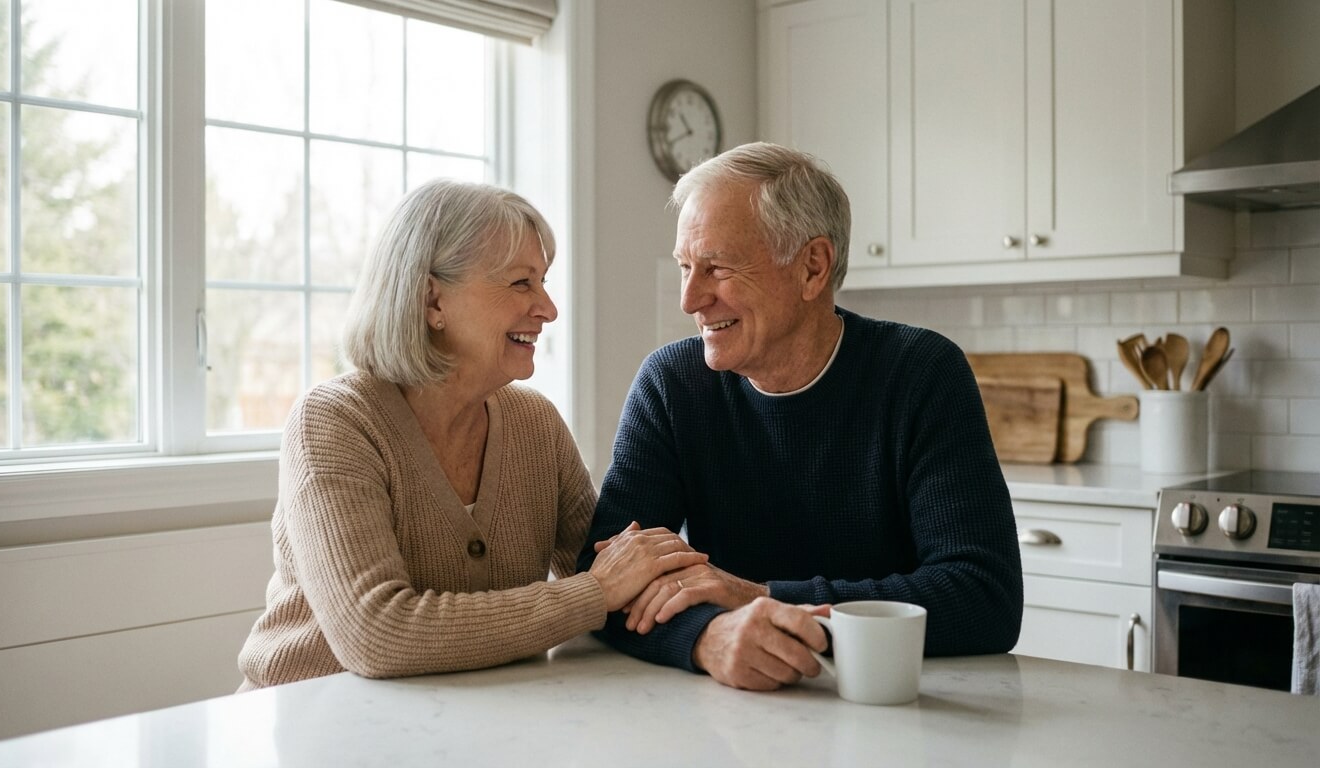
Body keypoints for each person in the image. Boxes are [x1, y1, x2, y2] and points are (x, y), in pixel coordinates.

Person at [577, 142, 1023, 691]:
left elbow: (984, 597)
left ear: (812, 268)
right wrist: (707, 638)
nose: (690, 299)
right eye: (686, 268)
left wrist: (761, 597)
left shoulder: (922, 374)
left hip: (894, 707)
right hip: (731, 710)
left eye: (716, 268)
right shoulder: (671, 383)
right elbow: (601, 587)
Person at [237, 179, 706, 690]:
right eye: (521, 283)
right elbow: (377, 634)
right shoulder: (334, 423)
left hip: (466, 721)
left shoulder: (536, 425)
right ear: (432, 299)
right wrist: (592, 595)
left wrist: (729, 620)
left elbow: (617, 571)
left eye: (544, 282)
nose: (548, 309)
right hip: (310, 725)